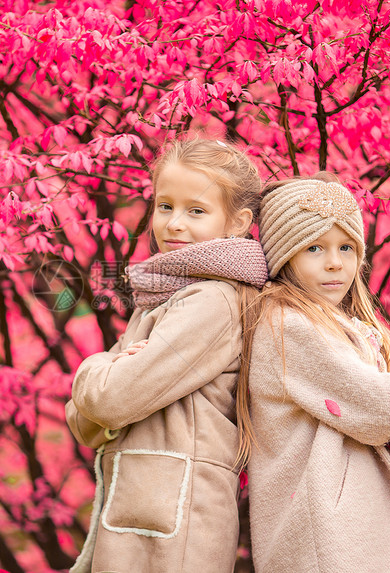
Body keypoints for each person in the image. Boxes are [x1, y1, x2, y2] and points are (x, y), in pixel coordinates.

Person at [65, 138, 269, 573]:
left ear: (238, 223)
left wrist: (99, 367)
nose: (174, 224)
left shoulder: (214, 300)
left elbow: (106, 401)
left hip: (179, 517)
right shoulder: (161, 297)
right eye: (164, 206)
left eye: (196, 210)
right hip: (143, 505)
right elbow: (83, 425)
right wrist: (107, 387)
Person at [246, 173, 390, 572]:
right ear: (284, 255)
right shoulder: (288, 326)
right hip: (325, 534)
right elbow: (389, 410)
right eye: (314, 247)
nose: (335, 262)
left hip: (357, 522)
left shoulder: (348, 327)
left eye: (346, 247)